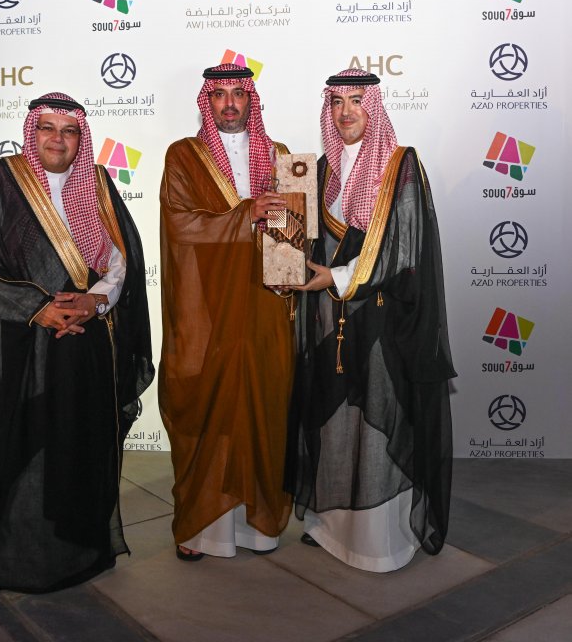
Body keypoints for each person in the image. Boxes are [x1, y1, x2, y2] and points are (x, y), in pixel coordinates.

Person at [0, 92, 154, 595]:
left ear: (81, 137)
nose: (58, 139)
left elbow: (123, 257)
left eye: (69, 130)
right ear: (31, 132)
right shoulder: (2, 180)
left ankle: (78, 543)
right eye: (48, 128)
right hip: (24, 341)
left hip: (86, 339)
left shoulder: (97, 183)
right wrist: (36, 306)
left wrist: (95, 302)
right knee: (19, 447)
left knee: (80, 440)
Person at [285, 70, 456, 572]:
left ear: (374, 106)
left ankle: (379, 540)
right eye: (336, 102)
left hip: (383, 320)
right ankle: (329, 525)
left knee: (378, 420)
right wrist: (278, 234)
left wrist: (336, 277)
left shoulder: (400, 165)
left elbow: (402, 247)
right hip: (327, 320)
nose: (346, 112)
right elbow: (298, 241)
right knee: (333, 420)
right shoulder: (317, 170)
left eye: (357, 101)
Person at [159, 64, 294, 560]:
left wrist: (291, 258)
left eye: (239, 93)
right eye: (220, 94)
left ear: (251, 100)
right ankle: (202, 527)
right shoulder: (183, 155)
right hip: (206, 304)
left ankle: (259, 525)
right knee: (206, 404)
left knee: (263, 402)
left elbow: (290, 234)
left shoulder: (280, 155)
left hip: (264, 304)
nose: (230, 103)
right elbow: (180, 225)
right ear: (207, 101)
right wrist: (244, 215)